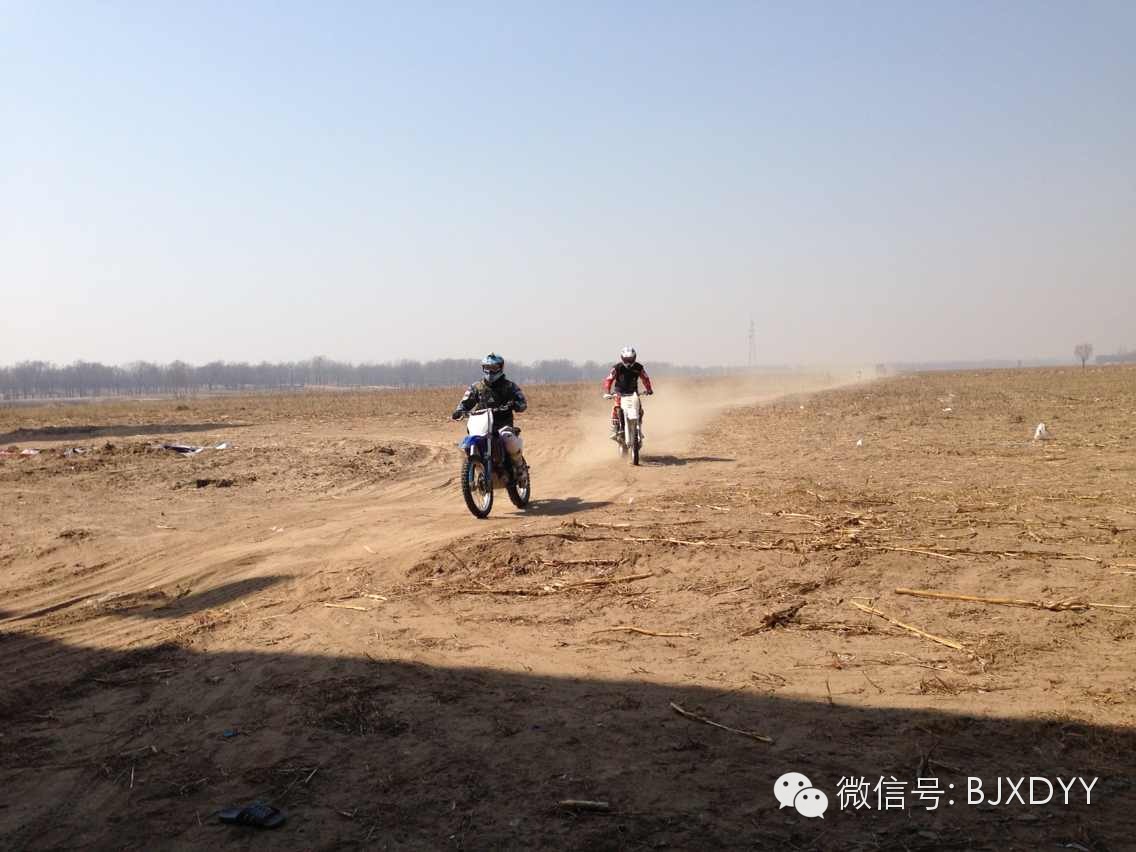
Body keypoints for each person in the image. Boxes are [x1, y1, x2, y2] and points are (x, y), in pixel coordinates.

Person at [451, 353, 529, 479]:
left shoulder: (510, 386)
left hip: (502, 424)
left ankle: (520, 467)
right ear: (483, 368)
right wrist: (459, 411)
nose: (490, 371)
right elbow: (465, 402)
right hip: (481, 424)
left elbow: (522, 403)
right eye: (487, 367)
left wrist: (515, 404)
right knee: (469, 441)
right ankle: (474, 469)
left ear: (500, 368)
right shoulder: (476, 387)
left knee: (508, 437)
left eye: (493, 368)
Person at [602, 345, 653, 440]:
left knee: (640, 410)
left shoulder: (639, 367)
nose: (629, 362)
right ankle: (615, 428)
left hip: (633, 392)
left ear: (634, 358)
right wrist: (608, 392)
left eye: (631, 359)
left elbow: (645, 378)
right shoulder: (617, 368)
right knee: (617, 407)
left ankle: (638, 428)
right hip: (619, 392)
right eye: (626, 360)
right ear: (622, 358)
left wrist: (649, 389)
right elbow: (609, 379)